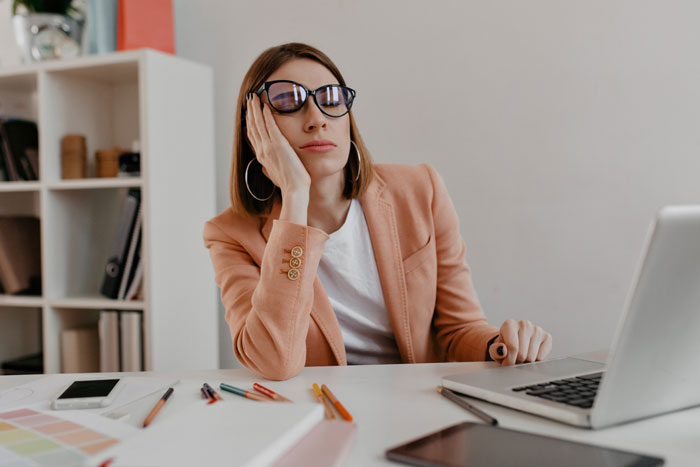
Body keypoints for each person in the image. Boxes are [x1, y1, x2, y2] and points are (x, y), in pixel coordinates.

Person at [203, 42, 552, 381]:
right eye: (288, 101)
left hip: (418, 404)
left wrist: (499, 346)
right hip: (319, 411)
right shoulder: (230, 234)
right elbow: (273, 361)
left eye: (330, 99)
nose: (317, 119)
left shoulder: (420, 190)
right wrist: (295, 196)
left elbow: (459, 329)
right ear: (255, 128)